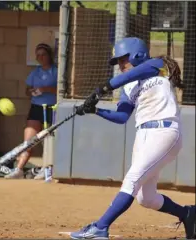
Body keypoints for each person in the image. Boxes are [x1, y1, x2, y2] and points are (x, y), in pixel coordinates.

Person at [71, 37, 195, 239]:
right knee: (146, 197)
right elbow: (121, 117)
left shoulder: (156, 66)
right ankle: (188, 214)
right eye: (118, 62)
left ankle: (100, 227)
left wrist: (102, 89)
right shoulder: (128, 87)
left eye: (123, 60)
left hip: (164, 131)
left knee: (131, 180)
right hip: (143, 135)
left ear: (137, 55)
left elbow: (123, 79)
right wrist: (95, 110)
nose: (120, 66)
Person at [5, 43, 57, 179]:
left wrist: (46, 89)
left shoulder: (56, 71)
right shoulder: (35, 72)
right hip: (36, 108)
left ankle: (47, 169)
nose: (40, 57)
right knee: (29, 141)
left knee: (50, 141)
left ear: (49, 56)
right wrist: (32, 92)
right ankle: (19, 169)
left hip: (52, 108)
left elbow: (61, 90)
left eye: (43, 54)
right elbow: (27, 90)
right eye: (38, 55)